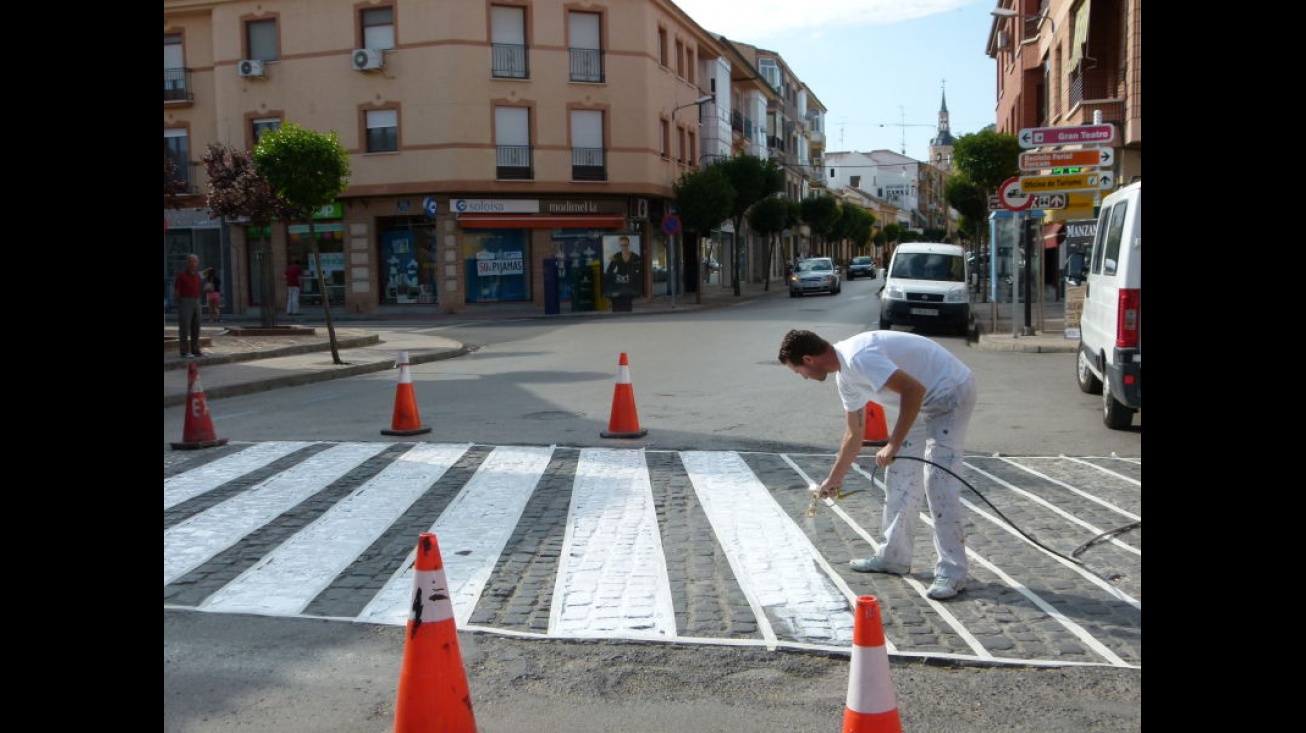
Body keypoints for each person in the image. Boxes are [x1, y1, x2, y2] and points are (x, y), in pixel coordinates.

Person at [777, 328, 978, 600]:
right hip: (921, 402)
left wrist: (893, 444)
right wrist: (834, 479)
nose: (802, 377)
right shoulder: (845, 378)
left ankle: (952, 573)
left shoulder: (859, 357)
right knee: (900, 474)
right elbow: (854, 433)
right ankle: (893, 556)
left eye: (798, 370)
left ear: (809, 359)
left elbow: (913, 389)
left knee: (938, 481)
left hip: (949, 391)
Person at [173, 254, 204, 358]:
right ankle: (184, 351)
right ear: (187, 262)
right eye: (191, 261)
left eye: (195, 261)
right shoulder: (181, 275)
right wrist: (179, 302)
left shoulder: (197, 275)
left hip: (196, 301)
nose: (193, 263)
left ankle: (195, 349)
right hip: (185, 300)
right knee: (185, 327)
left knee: (196, 326)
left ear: (197, 263)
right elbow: (177, 290)